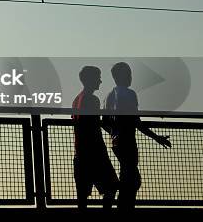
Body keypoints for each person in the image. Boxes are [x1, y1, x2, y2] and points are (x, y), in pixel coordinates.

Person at [104, 62, 171, 211]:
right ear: (122, 76)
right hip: (128, 142)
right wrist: (156, 137)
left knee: (128, 177)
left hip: (117, 143)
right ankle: (126, 208)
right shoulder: (129, 94)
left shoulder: (109, 96)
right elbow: (136, 121)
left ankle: (123, 206)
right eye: (128, 74)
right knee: (132, 180)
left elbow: (104, 121)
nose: (130, 77)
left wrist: (115, 133)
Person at [72, 66, 118, 211]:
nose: (100, 81)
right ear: (90, 80)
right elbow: (96, 124)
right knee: (112, 186)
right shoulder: (92, 99)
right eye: (98, 77)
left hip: (80, 152)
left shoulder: (76, 100)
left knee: (82, 197)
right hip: (95, 152)